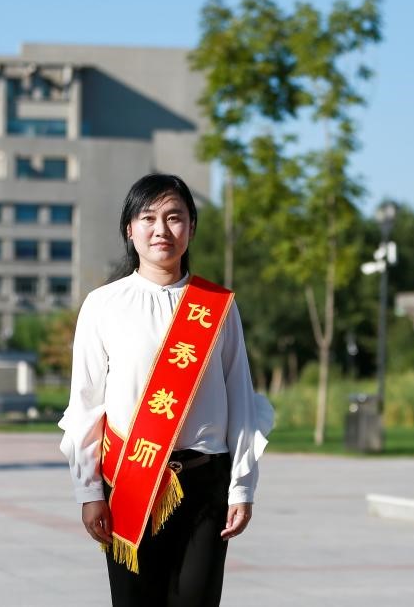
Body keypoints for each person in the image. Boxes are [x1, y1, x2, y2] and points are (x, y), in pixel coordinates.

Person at [59, 173, 272, 607]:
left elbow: (240, 400)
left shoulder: (217, 307)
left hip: (205, 483)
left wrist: (242, 487)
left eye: (174, 217)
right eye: (148, 218)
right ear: (129, 229)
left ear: (191, 227)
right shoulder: (103, 305)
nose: (161, 229)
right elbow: (85, 405)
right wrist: (89, 492)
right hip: (130, 481)